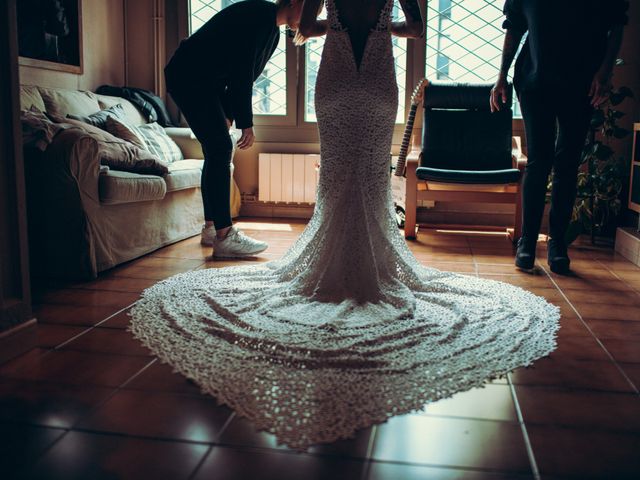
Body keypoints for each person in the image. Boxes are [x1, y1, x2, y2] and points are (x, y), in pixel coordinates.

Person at [131, 0, 559, 449]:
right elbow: (416, 30)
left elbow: (300, 30)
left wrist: (333, 31)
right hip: (376, 82)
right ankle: (279, 241)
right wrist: (382, 29)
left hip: (334, 83)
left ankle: (267, 241)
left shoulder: (293, 13)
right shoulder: (282, 20)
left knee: (336, 175)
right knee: (370, 174)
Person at [491, 0, 628, 274]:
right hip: (534, 81)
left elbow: (616, 25)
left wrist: (605, 72)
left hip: (582, 84)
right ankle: (527, 242)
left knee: (567, 164)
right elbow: (515, 29)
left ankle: (557, 245)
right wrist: (501, 76)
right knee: (538, 161)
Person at [164, 0, 306, 258]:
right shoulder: (259, 15)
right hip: (188, 76)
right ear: (296, 2)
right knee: (220, 147)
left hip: (206, 82)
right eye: (310, 10)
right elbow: (241, 74)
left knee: (215, 149)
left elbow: (247, 75)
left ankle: (211, 228)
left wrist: (228, 114)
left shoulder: (272, 30)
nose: (309, 18)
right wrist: (245, 124)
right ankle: (224, 235)